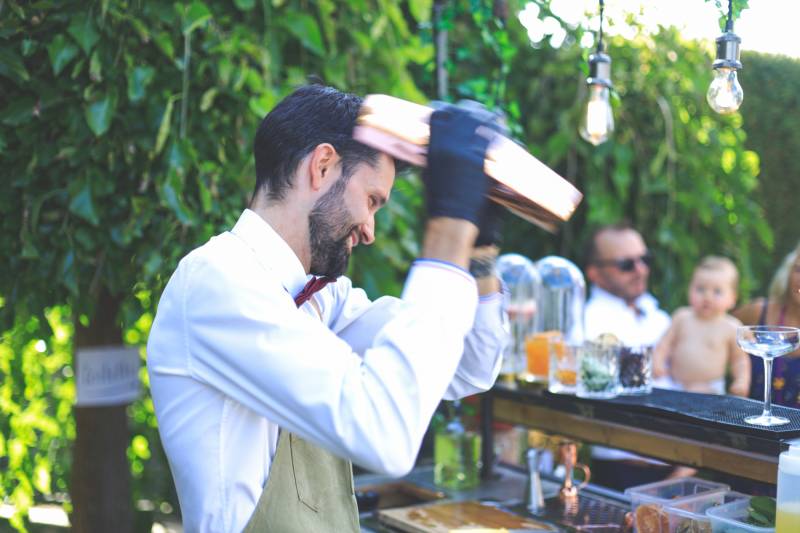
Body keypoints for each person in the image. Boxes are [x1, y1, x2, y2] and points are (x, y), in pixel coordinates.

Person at [146, 85, 508, 532]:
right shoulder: (216, 281)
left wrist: (481, 251)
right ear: (322, 167)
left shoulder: (321, 300)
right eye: (372, 200)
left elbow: (472, 365)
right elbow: (384, 436)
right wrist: (450, 225)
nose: (371, 230)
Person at [582, 223, 672, 491]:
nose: (641, 270)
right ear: (595, 274)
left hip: (679, 466)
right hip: (622, 472)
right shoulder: (587, 322)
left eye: (644, 260)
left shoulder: (659, 317)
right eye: (626, 264)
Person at [653, 256, 751, 396]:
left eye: (717, 291)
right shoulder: (682, 317)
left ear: (732, 298)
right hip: (674, 384)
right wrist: (658, 362)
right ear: (689, 289)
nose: (707, 297)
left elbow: (740, 360)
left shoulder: (731, 327)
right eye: (700, 289)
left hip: (710, 387)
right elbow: (664, 345)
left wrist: (741, 381)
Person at [734, 241, 800, 409]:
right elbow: (718, 326)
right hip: (750, 425)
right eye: (799, 269)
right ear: (788, 272)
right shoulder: (758, 311)